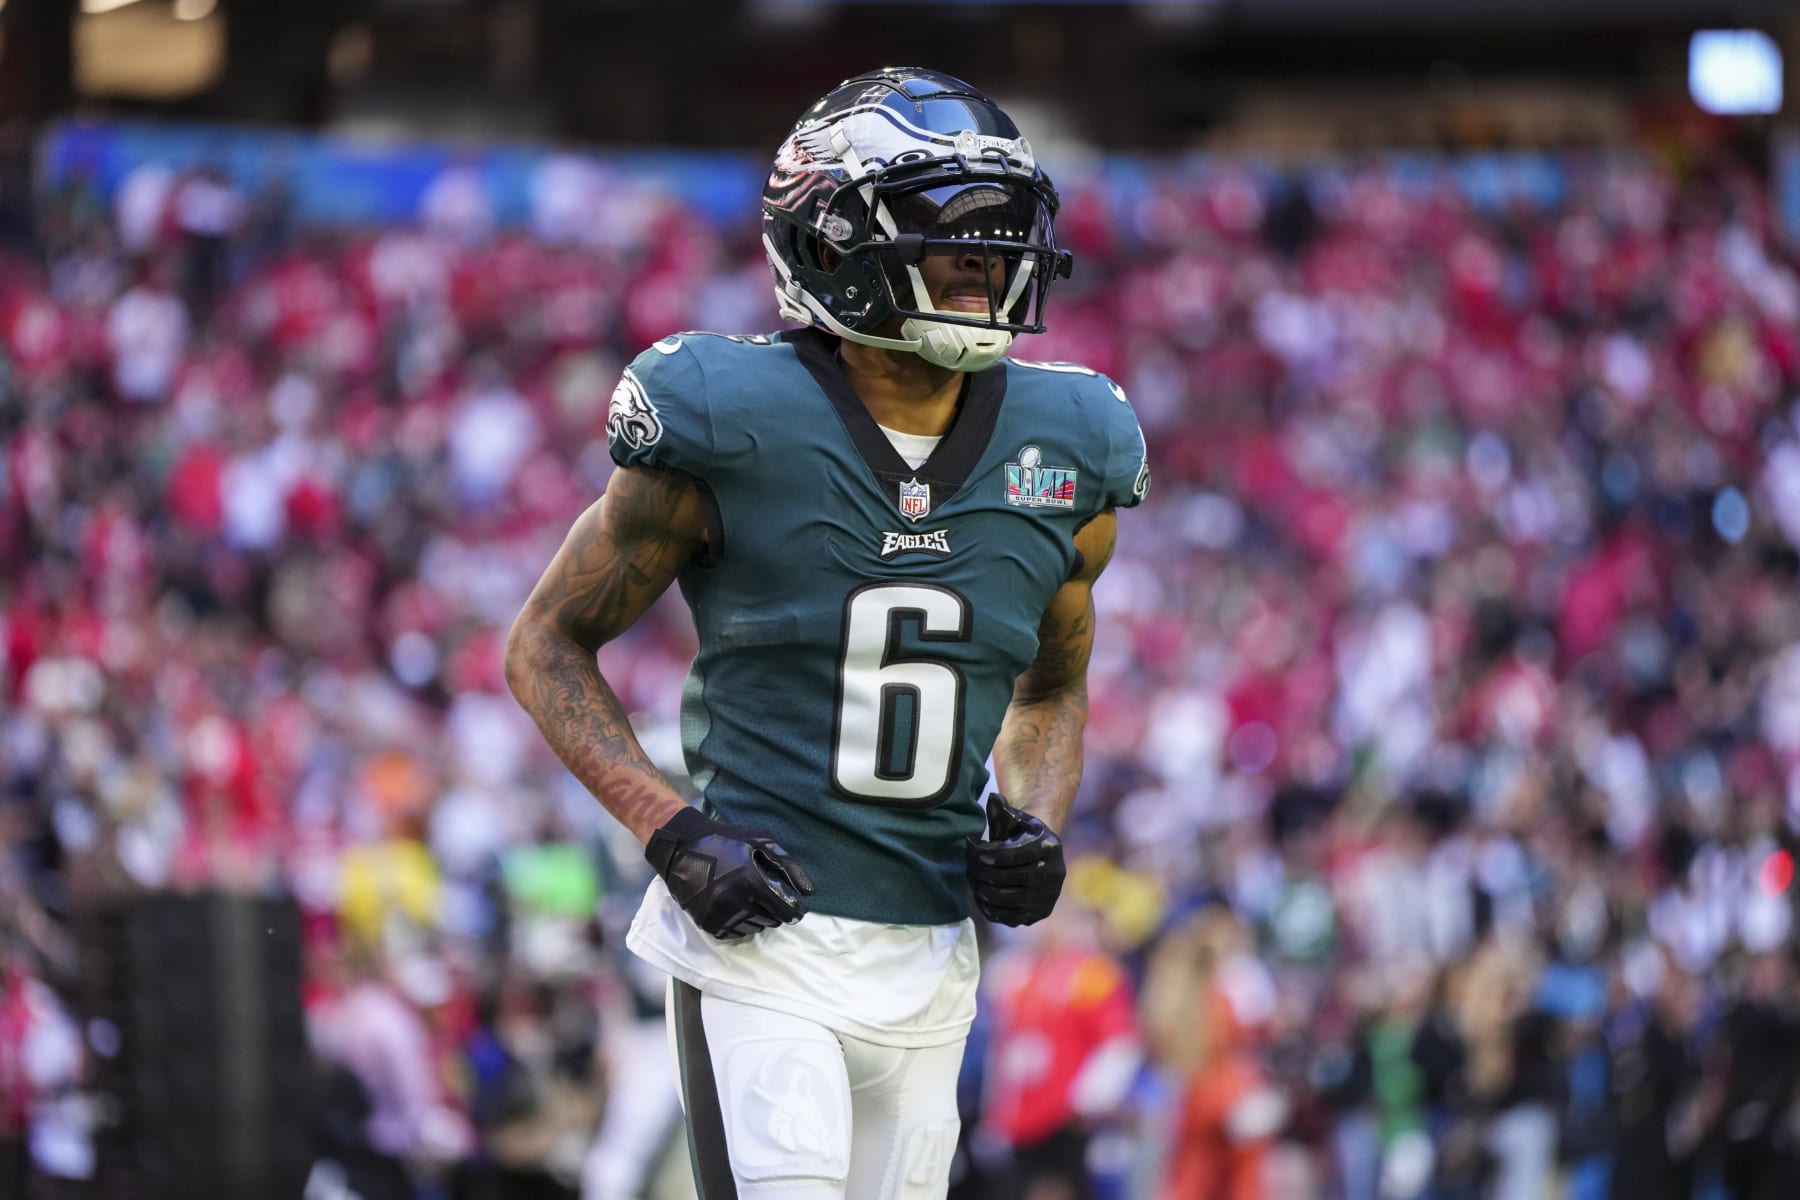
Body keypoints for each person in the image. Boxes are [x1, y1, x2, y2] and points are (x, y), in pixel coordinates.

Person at [505, 66, 1148, 1199]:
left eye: (1001, 241)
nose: (988, 268)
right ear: (833, 242)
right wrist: (672, 831)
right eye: (954, 238)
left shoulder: (1073, 438)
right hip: (764, 940)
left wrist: (1038, 822)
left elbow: (1052, 687)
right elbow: (545, 642)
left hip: (935, 950)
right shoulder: (725, 414)